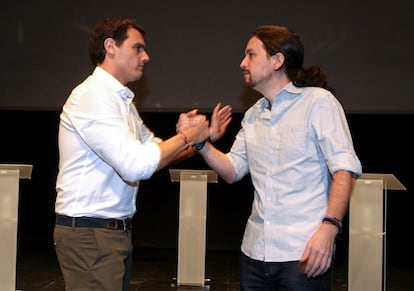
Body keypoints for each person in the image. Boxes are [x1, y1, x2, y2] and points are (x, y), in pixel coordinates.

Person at [178, 25, 362, 290]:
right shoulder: (254, 114)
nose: (242, 63)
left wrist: (330, 228)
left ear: (277, 61)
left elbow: (344, 169)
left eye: (251, 55)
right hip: (254, 253)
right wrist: (200, 143)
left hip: (304, 253)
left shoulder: (318, 102)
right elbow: (232, 170)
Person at [53, 17, 227, 291]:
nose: (146, 56)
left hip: (108, 233)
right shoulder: (92, 96)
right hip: (90, 233)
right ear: (110, 46)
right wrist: (185, 137)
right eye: (138, 48)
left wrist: (199, 140)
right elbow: (136, 166)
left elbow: (154, 151)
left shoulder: (121, 101)